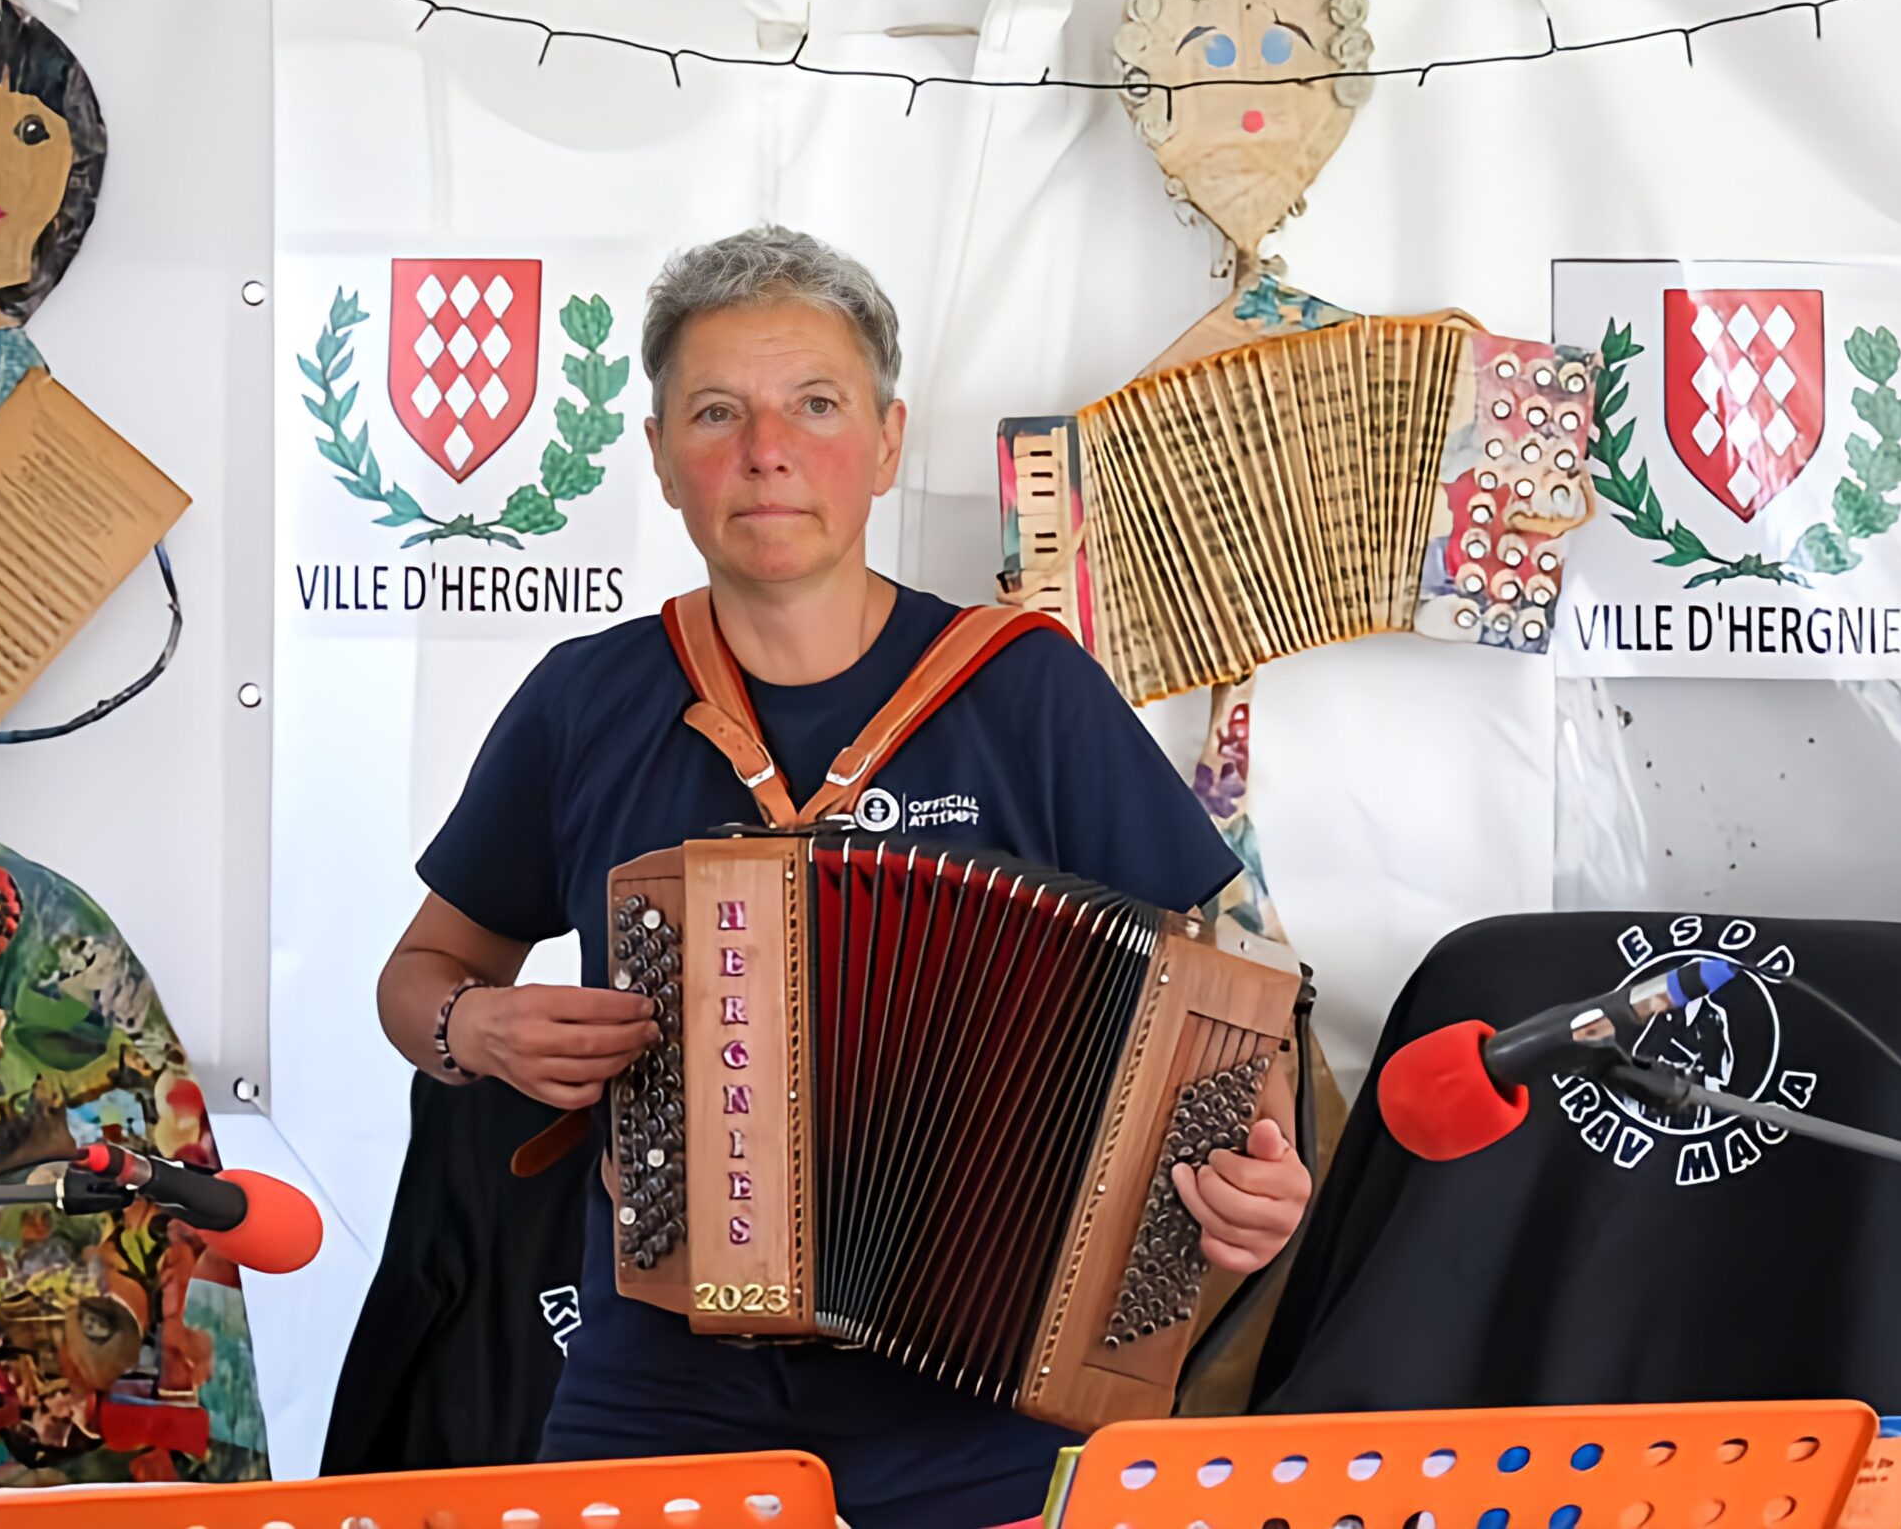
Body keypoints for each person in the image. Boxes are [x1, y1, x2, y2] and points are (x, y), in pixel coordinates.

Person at [374, 225, 1312, 1527]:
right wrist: (469, 1027)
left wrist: (1253, 1175)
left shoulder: (1026, 690)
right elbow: (421, 974)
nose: (767, 450)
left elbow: (1230, 1016)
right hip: (655, 1391)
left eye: (815, 405)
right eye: (717, 412)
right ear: (659, 457)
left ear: (885, 442)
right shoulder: (584, 702)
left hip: (986, 1397)